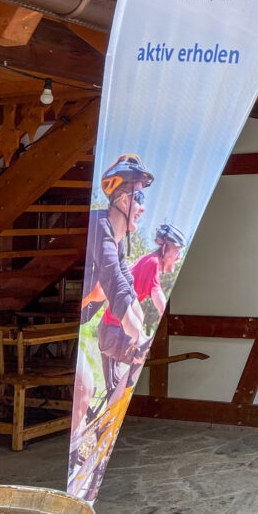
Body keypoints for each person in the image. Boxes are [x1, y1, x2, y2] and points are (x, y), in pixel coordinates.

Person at [91, 154, 155, 395]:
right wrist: (139, 339)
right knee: (86, 387)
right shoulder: (99, 227)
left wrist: (144, 336)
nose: (143, 206)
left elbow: (127, 287)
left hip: (105, 330)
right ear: (122, 199)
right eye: (140, 197)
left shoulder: (115, 242)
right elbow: (114, 286)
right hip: (98, 332)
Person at [129, 223, 186, 323]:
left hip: (117, 326)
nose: (179, 256)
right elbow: (157, 295)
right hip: (116, 328)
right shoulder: (152, 262)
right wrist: (163, 312)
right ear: (164, 249)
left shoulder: (148, 260)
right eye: (177, 250)